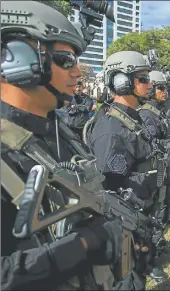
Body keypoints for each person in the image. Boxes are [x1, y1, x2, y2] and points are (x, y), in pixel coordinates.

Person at [1, 1, 124, 290]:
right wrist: (84, 243)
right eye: (66, 60)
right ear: (17, 58)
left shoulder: (58, 131)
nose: (78, 72)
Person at [85, 51, 168, 283]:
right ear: (121, 82)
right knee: (128, 278)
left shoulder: (133, 117)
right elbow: (108, 188)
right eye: (142, 78)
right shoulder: (111, 129)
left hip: (142, 210)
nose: (149, 84)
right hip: (125, 223)